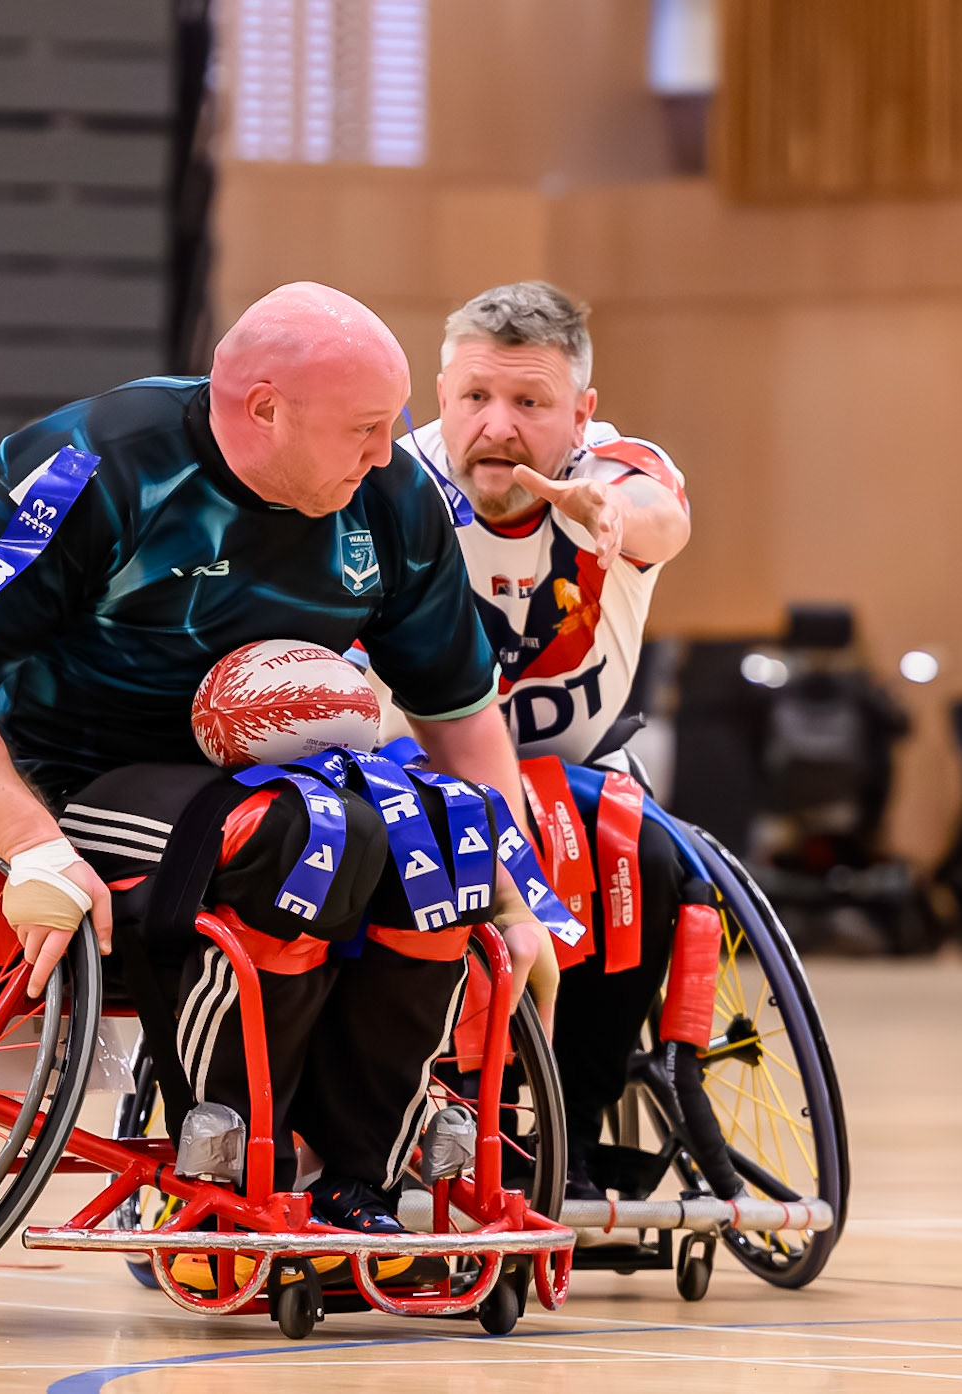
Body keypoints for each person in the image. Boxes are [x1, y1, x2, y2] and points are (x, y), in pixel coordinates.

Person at [0, 282, 539, 1239]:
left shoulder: (390, 496)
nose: (384, 451)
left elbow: (462, 718)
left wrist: (508, 891)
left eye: (389, 426)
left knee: (430, 835)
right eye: (362, 427)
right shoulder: (92, 470)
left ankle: (360, 1178)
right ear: (265, 409)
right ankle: (237, 1152)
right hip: (65, 777)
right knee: (300, 834)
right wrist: (30, 845)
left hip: (273, 778)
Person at [379, 280, 700, 1202]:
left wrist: (609, 517)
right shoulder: (394, 484)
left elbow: (659, 514)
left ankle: (568, 1134)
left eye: (530, 403)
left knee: (636, 850)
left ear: (581, 414)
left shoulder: (614, 471)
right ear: (441, 396)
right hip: (419, 767)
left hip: (580, 767)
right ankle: (402, 1124)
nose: (498, 426)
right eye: (476, 398)